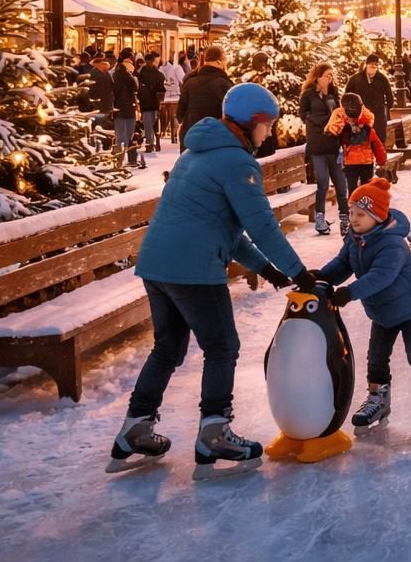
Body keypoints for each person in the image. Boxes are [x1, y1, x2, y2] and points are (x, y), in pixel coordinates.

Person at [109, 82, 313, 479]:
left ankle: (135, 429)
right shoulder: (237, 163)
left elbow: (228, 231)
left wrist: (269, 271)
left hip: (158, 265)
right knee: (222, 347)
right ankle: (214, 433)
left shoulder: (195, 153)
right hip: (193, 270)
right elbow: (263, 226)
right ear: (253, 122)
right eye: (267, 125)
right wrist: (299, 272)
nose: (270, 132)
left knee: (168, 349)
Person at [313, 177, 411, 437]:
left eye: (361, 214)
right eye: (352, 212)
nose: (354, 219)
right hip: (383, 310)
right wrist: (321, 278)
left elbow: (381, 276)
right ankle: (378, 400)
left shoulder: (391, 243)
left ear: (377, 216)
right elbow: (343, 264)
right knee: (376, 356)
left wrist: (349, 293)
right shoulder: (355, 238)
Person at [300, 62, 348, 237]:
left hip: (333, 145)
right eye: (326, 75)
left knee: (341, 185)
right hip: (317, 145)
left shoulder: (334, 94)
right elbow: (304, 115)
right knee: (322, 182)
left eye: (331, 75)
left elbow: (340, 113)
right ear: (317, 77)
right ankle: (319, 218)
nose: (329, 78)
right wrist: (322, 121)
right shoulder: (308, 95)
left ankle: (345, 219)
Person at [331, 91, 387, 193]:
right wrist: (381, 161)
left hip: (350, 163)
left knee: (352, 189)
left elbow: (335, 143)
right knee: (366, 188)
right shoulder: (368, 128)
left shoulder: (343, 129)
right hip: (366, 162)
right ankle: (364, 207)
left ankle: (352, 207)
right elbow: (377, 145)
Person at [177, 46, 231, 149]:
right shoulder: (224, 84)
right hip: (215, 140)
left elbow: (180, 113)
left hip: (190, 138)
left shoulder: (190, 81)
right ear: (220, 61)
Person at [345, 54, 396, 147]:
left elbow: (389, 96)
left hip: (378, 116)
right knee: (363, 141)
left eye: (375, 65)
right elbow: (347, 96)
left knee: (378, 141)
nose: (373, 67)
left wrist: (387, 107)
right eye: (371, 64)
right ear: (366, 64)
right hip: (361, 116)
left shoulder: (382, 79)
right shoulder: (356, 79)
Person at [112, 55, 142, 167]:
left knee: (119, 137)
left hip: (118, 110)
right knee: (131, 136)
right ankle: (132, 159)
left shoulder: (114, 76)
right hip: (129, 110)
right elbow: (135, 88)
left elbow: (113, 92)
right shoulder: (130, 78)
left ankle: (118, 160)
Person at [138, 53, 165, 155]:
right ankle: (150, 143)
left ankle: (154, 142)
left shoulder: (157, 74)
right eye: (147, 61)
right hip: (145, 103)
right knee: (148, 124)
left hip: (153, 103)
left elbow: (162, 88)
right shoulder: (142, 73)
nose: (149, 63)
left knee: (153, 124)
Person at [159, 52, 186, 147]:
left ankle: (164, 132)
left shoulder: (161, 68)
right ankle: (173, 135)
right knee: (173, 116)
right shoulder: (177, 68)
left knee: (166, 116)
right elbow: (183, 79)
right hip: (174, 95)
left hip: (165, 95)